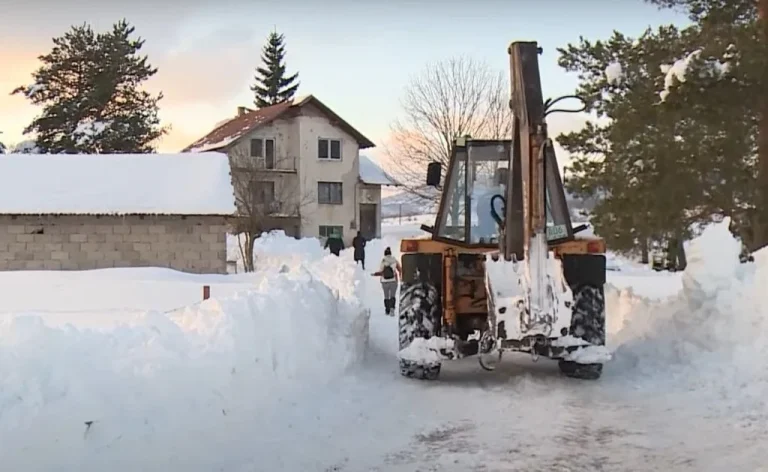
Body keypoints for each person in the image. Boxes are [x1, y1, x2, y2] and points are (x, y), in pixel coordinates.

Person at [372, 247, 402, 316]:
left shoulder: (383, 261)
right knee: (392, 295)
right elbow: (400, 269)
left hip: (384, 281)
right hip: (393, 281)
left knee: (386, 296)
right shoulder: (394, 260)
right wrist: (400, 276)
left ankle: (387, 310)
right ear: (390, 253)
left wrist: (375, 274)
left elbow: (381, 271)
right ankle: (392, 309)